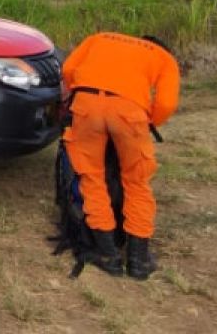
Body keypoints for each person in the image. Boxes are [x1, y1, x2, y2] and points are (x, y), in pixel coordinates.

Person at [60, 32, 180, 280]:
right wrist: (146, 122)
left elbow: (69, 68)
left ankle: (106, 253)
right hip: (129, 111)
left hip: (86, 104)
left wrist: (81, 94)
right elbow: (167, 103)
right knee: (136, 182)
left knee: (91, 178)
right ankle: (138, 260)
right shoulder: (164, 57)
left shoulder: (100, 38)